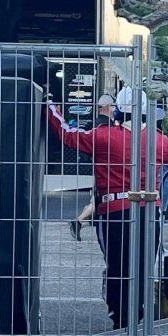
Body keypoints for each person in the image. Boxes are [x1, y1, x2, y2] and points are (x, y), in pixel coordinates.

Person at [45, 90, 168, 329]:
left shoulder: (103, 136)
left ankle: (120, 318)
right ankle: (138, 314)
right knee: (143, 265)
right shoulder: (158, 139)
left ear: (119, 111)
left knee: (116, 266)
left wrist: (51, 107)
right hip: (148, 210)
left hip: (114, 209)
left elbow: (68, 135)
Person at [69, 95, 113, 240]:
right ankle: (80, 220)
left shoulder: (93, 125)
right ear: (108, 107)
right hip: (108, 168)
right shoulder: (108, 126)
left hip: (97, 166)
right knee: (101, 198)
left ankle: (81, 220)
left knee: (98, 198)